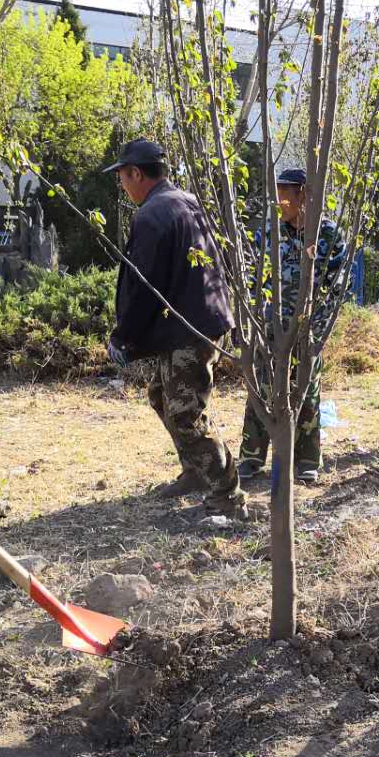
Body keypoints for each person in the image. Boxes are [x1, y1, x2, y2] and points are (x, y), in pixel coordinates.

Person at [105, 139, 246, 519]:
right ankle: (196, 472)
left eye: (122, 176)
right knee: (161, 396)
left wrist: (124, 336)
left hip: (189, 329)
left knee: (186, 415)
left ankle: (228, 495)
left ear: (136, 173)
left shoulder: (153, 215)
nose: (122, 184)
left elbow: (143, 286)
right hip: (197, 322)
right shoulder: (187, 202)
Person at [237, 168, 347, 485]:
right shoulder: (269, 232)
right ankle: (251, 457)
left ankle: (307, 461)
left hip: (307, 330)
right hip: (271, 327)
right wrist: (254, 323)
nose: (278, 201)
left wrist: (316, 332)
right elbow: (253, 280)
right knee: (261, 389)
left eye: (284, 194)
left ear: (303, 195)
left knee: (307, 391)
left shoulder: (327, 235)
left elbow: (335, 289)